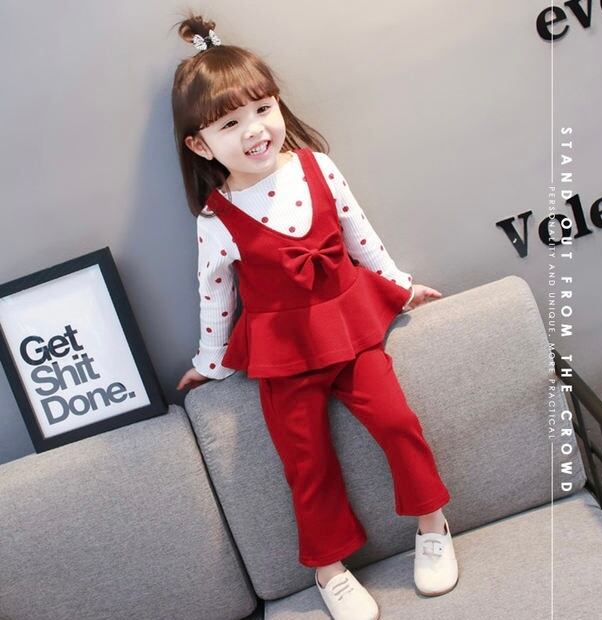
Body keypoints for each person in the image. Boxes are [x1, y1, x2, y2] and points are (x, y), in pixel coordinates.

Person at [172, 13, 458, 619]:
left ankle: (433, 524)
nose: (255, 130)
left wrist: (399, 287)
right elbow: (214, 293)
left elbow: (360, 234)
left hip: (350, 324)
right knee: (306, 461)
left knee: (397, 421)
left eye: (262, 109)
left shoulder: (317, 167)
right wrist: (210, 362)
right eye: (230, 123)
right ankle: (330, 570)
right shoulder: (216, 218)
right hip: (282, 350)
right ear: (200, 144)